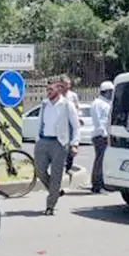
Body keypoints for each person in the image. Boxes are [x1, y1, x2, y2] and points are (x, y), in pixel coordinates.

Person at [34, 78, 81, 215]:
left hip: (59, 144)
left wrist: (74, 144)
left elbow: (76, 126)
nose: (48, 92)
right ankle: (56, 191)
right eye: (47, 89)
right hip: (43, 142)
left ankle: (50, 205)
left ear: (59, 89)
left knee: (56, 176)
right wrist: (37, 140)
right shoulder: (44, 104)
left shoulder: (67, 105)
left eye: (51, 89)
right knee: (40, 171)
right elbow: (39, 123)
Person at [89, 81, 113, 193]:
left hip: (105, 134)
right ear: (106, 92)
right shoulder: (98, 103)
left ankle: (103, 183)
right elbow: (97, 120)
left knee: (104, 161)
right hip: (100, 135)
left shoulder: (107, 103)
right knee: (100, 161)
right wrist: (103, 133)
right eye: (111, 92)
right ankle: (97, 185)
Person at [60, 74, 81, 177]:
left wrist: (78, 118)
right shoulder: (57, 95)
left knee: (71, 147)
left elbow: (77, 108)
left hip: (71, 123)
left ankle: (68, 167)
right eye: (65, 84)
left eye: (68, 84)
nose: (67, 86)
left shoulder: (73, 96)